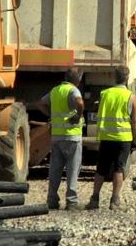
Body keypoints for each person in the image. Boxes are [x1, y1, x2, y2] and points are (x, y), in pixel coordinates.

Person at [86, 65, 136, 210]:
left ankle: (94, 199)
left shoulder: (105, 94)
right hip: (123, 138)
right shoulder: (131, 97)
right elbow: (135, 121)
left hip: (106, 137)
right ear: (127, 79)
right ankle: (114, 200)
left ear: (114, 78)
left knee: (101, 168)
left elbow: (96, 108)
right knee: (119, 168)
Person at [37, 67, 85, 211]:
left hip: (57, 136)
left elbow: (40, 104)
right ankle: (72, 202)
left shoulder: (55, 90)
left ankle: (52, 200)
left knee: (55, 170)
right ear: (78, 79)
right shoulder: (73, 90)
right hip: (72, 136)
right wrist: (77, 116)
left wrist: (51, 115)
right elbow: (80, 103)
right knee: (72, 169)